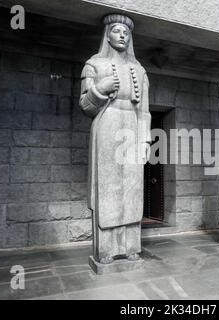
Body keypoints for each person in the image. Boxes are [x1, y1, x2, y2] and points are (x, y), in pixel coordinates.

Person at [79, 14, 151, 264]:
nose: (122, 36)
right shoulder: (93, 65)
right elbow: (85, 105)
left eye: (126, 33)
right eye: (117, 31)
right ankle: (106, 250)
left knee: (132, 188)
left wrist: (144, 142)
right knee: (108, 187)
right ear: (107, 34)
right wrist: (99, 90)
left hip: (131, 125)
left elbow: (145, 111)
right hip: (107, 124)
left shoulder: (139, 70)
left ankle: (131, 246)